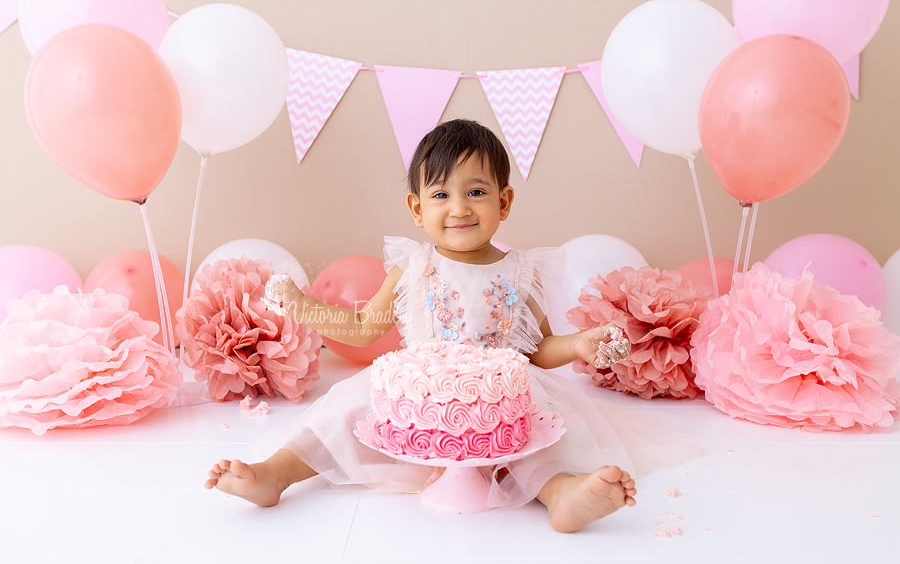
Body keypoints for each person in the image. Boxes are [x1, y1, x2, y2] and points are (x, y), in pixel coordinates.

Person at [206, 119, 689, 533]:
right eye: (441, 194)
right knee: (341, 416)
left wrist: (579, 343)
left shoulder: (521, 273)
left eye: (476, 192)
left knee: (532, 439)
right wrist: (304, 306)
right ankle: (275, 474)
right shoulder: (413, 267)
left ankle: (563, 495)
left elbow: (537, 349)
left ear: (504, 202)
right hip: (418, 396)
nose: (459, 208)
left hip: (495, 395)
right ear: (418, 209)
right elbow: (362, 329)